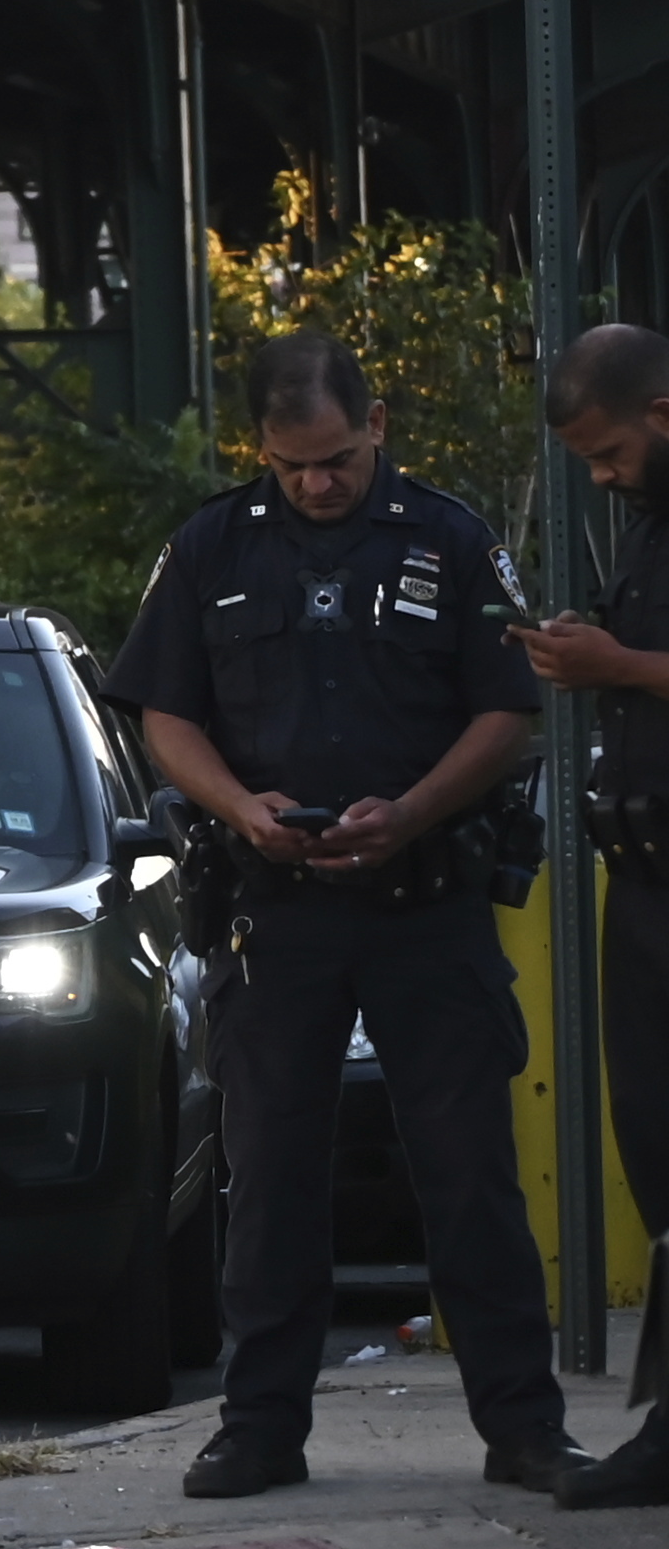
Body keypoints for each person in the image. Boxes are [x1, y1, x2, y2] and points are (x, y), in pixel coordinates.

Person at [118, 332, 571, 1500]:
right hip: (274, 911)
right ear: (258, 448)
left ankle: (522, 1425)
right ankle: (259, 1426)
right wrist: (241, 804)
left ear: (375, 426)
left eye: (332, 458)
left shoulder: (451, 538)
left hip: (423, 905)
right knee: (268, 1176)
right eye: (289, 462)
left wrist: (413, 808)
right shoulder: (213, 542)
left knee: (467, 1171)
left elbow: (507, 708)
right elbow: (164, 710)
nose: (315, 482)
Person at [524, 319, 669, 1504]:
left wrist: (617, 665)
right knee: (657, 1154)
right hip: (647, 876)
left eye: (611, 450)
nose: (603, 475)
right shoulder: (649, 524)